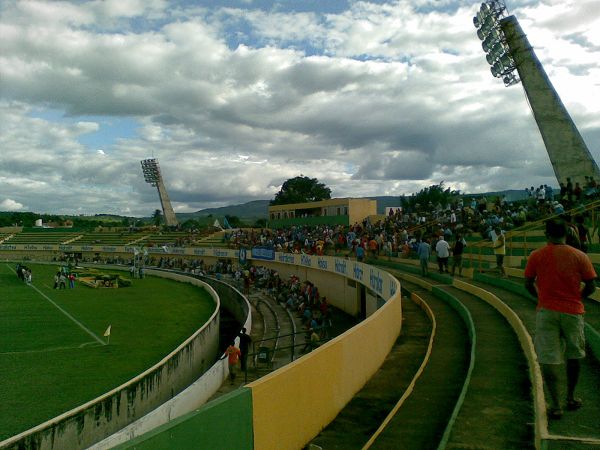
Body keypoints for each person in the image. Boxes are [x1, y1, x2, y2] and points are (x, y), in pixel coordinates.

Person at [524, 217, 596, 420]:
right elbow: (590, 285)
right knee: (574, 354)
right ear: (566, 234)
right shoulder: (580, 256)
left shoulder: (537, 256)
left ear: (547, 235)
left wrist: (539, 297)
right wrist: (577, 297)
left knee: (549, 357)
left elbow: (528, 283)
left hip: (546, 311)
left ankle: (555, 404)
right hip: (573, 311)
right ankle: (571, 397)